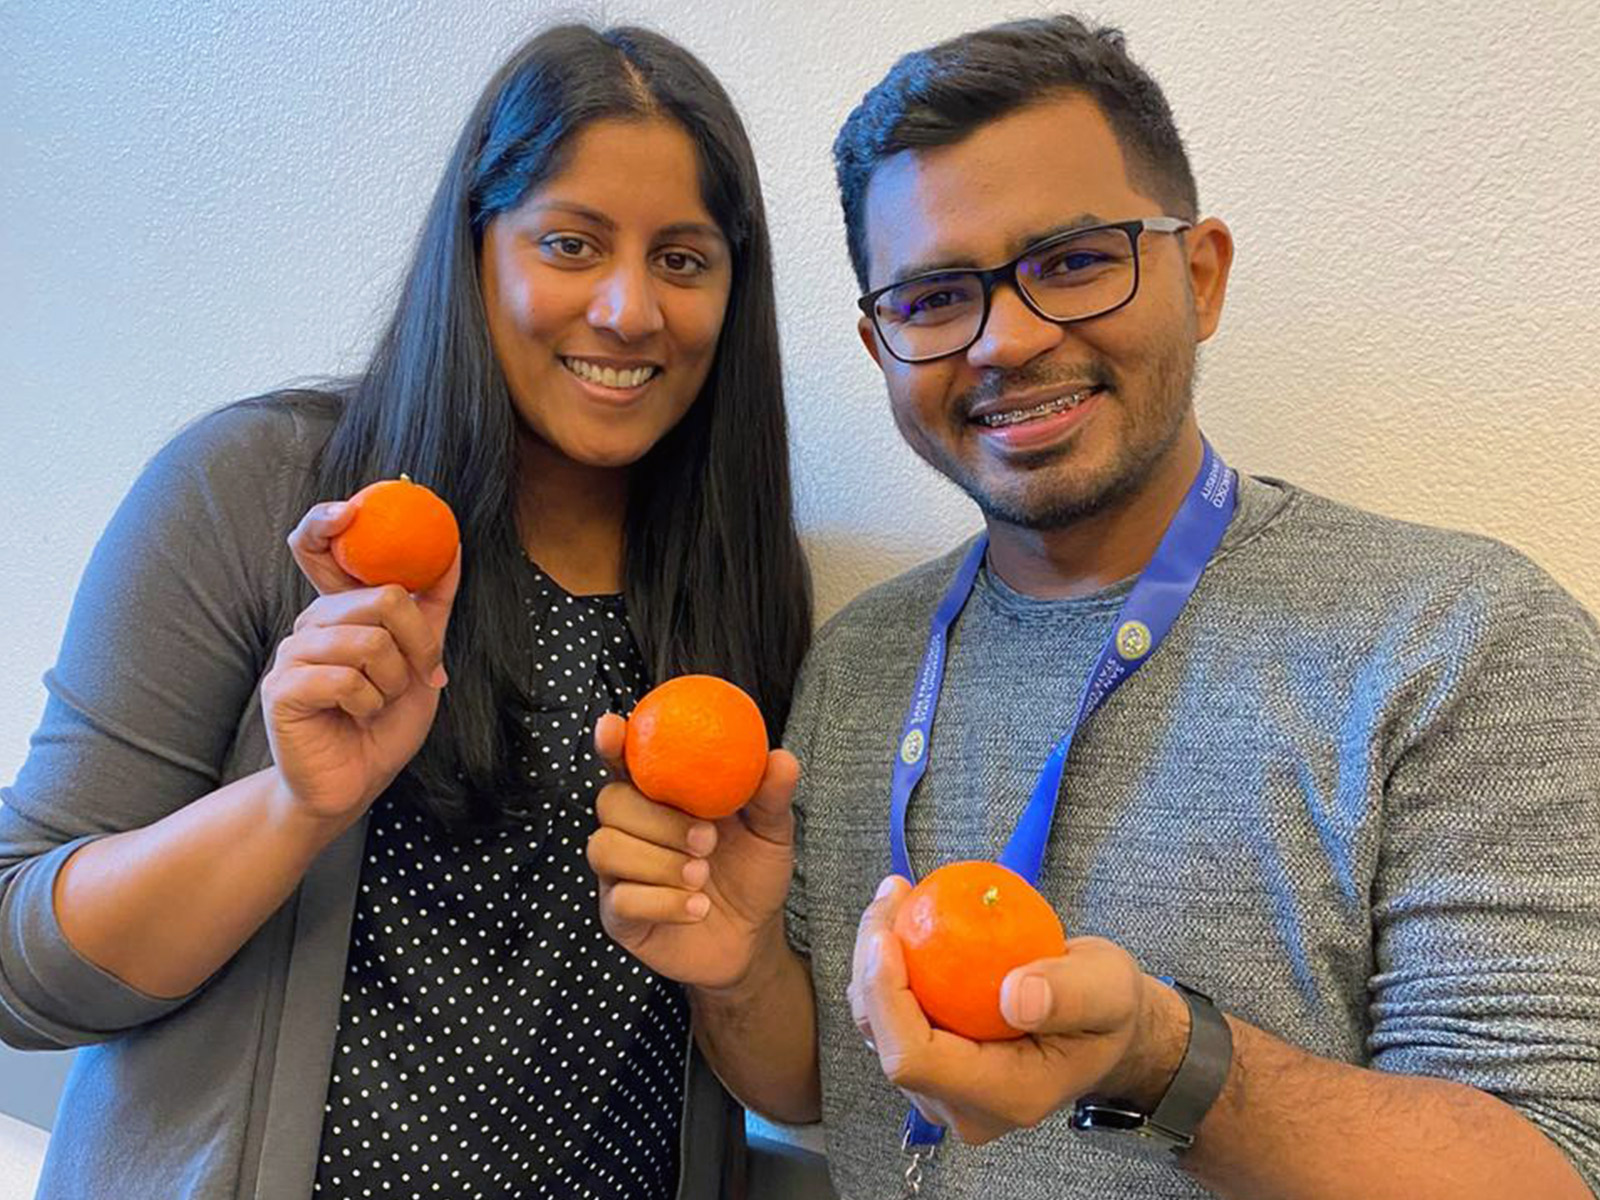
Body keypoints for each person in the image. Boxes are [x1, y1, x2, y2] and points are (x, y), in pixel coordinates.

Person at [585, 14, 1600, 1200]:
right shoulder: (859, 658)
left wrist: (1161, 1059)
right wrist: (735, 967)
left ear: (1201, 273)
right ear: (880, 345)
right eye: (934, 296)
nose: (1007, 341)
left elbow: (1548, 1168)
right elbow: (827, 1083)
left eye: (1072, 261)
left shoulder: (1460, 636)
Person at [0, 22, 810, 1200]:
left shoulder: (739, 577)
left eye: (683, 259)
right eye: (571, 243)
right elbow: (24, 967)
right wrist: (290, 804)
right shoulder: (260, 491)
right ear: (476, 251)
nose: (632, 310)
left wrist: (736, 970)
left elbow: (783, 1069)